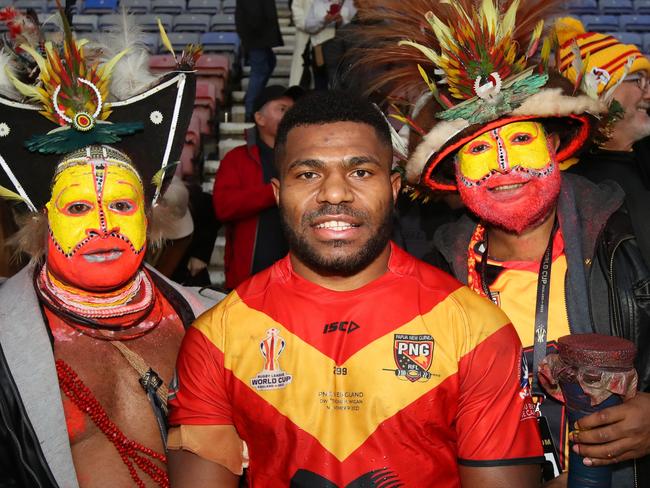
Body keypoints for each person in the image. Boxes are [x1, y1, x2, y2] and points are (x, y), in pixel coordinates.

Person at [167, 90, 544, 487]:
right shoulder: (217, 336)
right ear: (278, 194)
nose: (334, 193)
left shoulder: (477, 329)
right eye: (308, 174)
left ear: (395, 188)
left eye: (361, 172)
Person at [353, 0, 650, 486]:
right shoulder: (432, 278)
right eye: (478, 151)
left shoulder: (632, 231)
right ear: (454, 175)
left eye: (520, 141)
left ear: (554, 146)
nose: (503, 167)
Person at [0, 12, 220, 487]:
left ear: (148, 215)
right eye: (78, 207)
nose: (103, 227)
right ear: (43, 220)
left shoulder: (217, 322)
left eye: (121, 204)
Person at [556, 17, 650, 268]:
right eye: (638, 80)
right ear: (599, 91)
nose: (649, 93)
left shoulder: (643, 155)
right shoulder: (569, 184)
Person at [213, 85, 304, 291]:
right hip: (249, 280)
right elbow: (223, 207)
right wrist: (274, 192)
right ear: (259, 119)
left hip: (299, 278)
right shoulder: (236, 158)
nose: (291, 116)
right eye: (282, 109)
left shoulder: (306, 158)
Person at [289, 0, 357, 89]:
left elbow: (355, 24)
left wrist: (341, 21)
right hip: (319, 48)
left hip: (342, 49)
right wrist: (324, 20)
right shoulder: (318, 3)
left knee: (340, 82)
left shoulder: (349, 2)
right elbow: (305, 23)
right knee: (320, 82)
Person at [236, 0, 284, 121]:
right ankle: (250, 109)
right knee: (260, 70)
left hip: (259, 36)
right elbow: (254, 15)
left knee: (270, 62)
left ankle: (252, 99)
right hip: (257, 36)